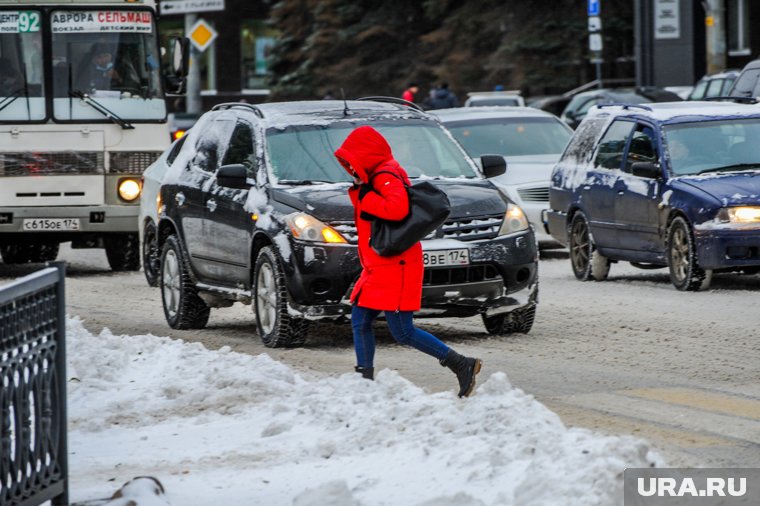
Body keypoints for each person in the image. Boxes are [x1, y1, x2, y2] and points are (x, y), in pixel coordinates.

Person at [334, 125, 482, 397]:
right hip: (380, 265)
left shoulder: (386, 175)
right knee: (359, 318)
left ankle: (461, 364)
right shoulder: (376, 177)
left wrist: (364, 196)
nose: (351, 170)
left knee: (402, 331)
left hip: (396, 265)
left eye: (352, 163)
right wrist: (362, 190)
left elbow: (397, 208)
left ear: (365, 156)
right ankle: (364, 381)